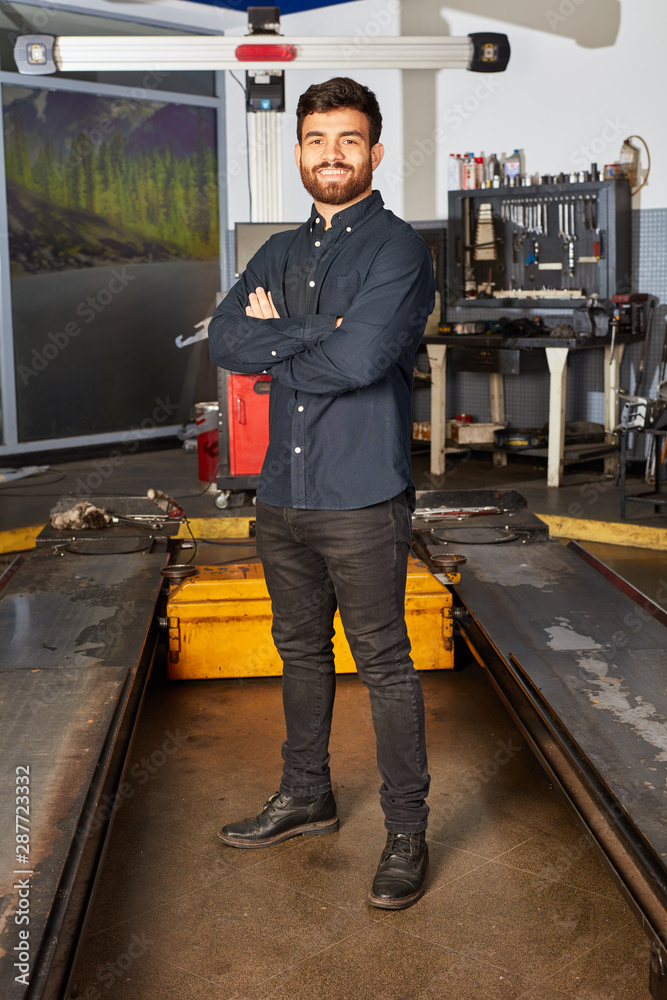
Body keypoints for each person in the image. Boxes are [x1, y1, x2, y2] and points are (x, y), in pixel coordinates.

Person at [208, 76, 435, 910]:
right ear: (299, 151)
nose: (330, 154)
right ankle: (307, 795)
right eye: (316, 139)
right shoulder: (277, 250)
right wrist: (310, 331)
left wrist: (279, 344)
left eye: (347, 140)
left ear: (374, 153)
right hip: (283, 493)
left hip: (362, 495)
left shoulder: (399, 250)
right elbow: (225, 343)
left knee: (384, 663)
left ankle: (406, 832)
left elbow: (361, 361)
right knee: (300, 651)